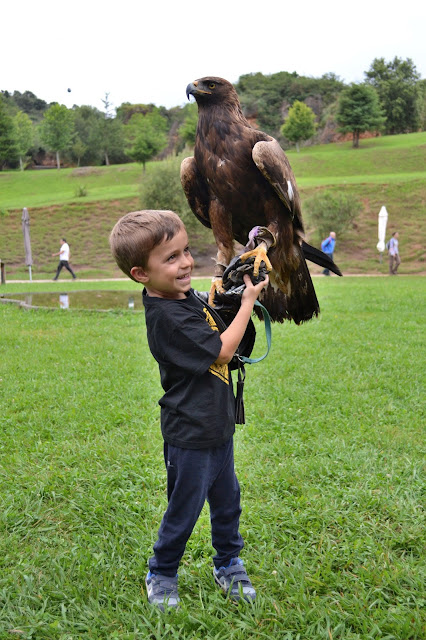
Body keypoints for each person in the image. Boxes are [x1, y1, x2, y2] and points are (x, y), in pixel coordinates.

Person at [109, 210, 269, 611]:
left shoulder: (185, 298)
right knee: (184, 509)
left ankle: (228, 562)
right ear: (140, 273)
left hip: (217, 428)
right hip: (189, 435)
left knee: (228, 501)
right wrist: (249, 302)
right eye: (170, 258)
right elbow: (222, 350)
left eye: (184, 252)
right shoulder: (167, 318)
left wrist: (232, 285)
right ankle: (161, 571)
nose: (184, 263)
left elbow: (217, 322)